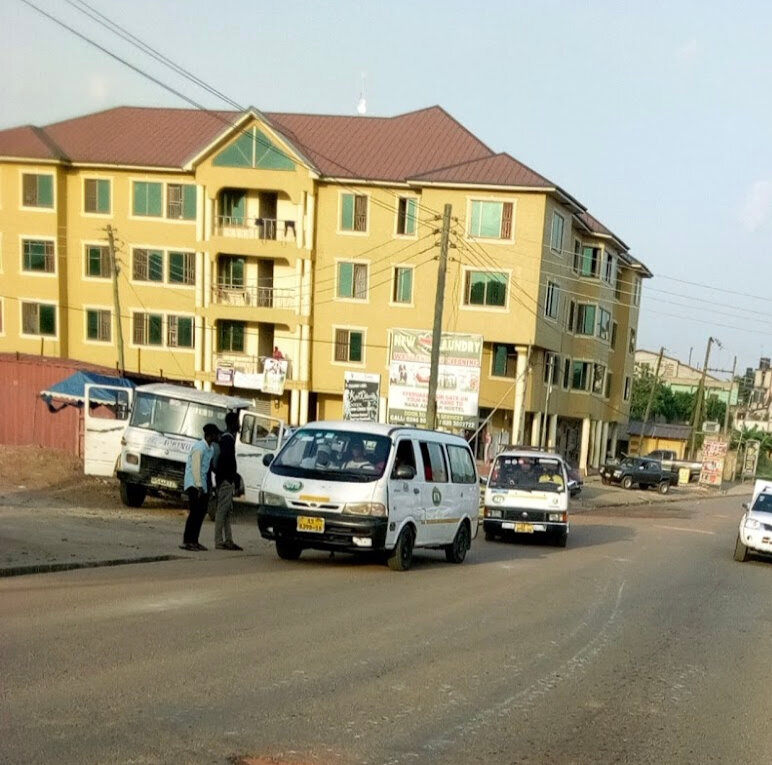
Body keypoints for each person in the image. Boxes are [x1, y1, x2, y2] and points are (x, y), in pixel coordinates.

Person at [181, 423, 219, 551]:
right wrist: (198, 486)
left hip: (203, 484)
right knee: (194, 513)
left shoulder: (210, 449)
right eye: (215, 434)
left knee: (201, 513)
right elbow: (196, 468)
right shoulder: (199, 448)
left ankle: (195, 540)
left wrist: (209, 485)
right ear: (210, 435)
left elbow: (207, 469)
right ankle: (187, 541)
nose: (217, 436)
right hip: (194, 483)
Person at [213, 411, 243, 551]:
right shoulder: (228, 440)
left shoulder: (227, 438)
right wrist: (229, 478)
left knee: (226, 512)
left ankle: (228, 539)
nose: (239, 424)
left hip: (224, 480)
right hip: (225, 480)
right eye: (237, 422)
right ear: (232, 424)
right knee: (222, 511)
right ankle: (219, 541)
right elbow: (227, 462)